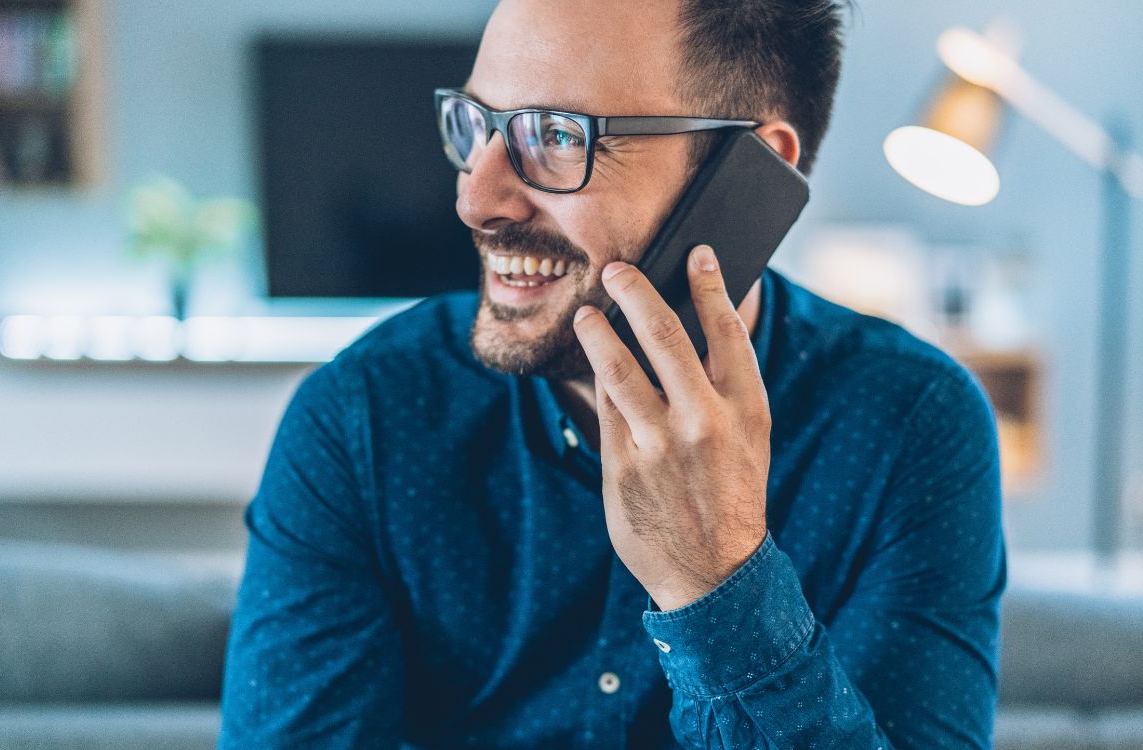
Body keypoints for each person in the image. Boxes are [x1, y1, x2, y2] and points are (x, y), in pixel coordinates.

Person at [219, 1, 1006, 747]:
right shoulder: (363, 418)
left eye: (558, 136)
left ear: (750, 170)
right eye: (478, 125)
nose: (475, 197)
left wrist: (718, 580)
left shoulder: (910, 424)